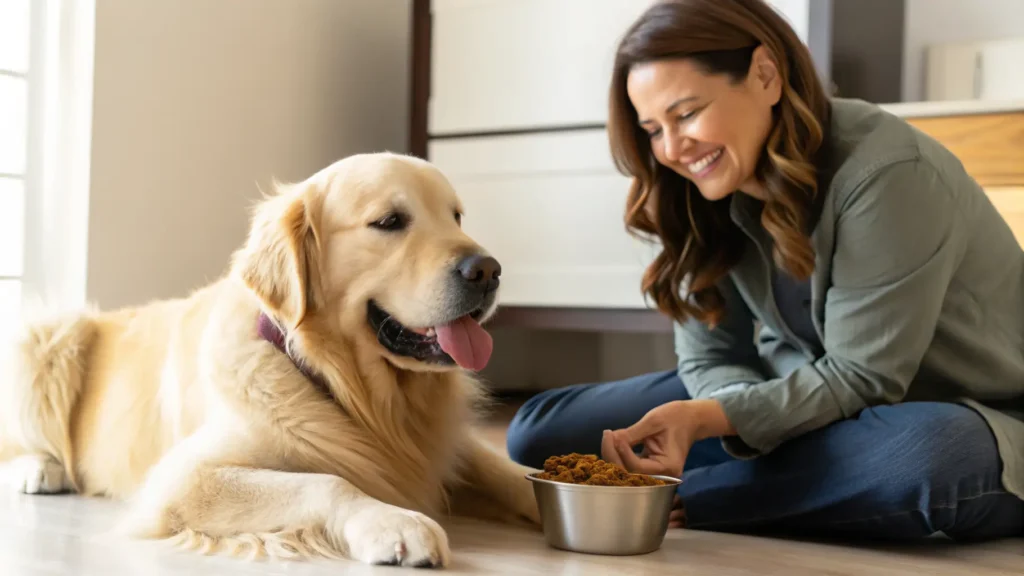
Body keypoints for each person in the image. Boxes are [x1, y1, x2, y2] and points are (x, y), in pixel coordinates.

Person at [505, 0, 1024, 541]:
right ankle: (794, 478)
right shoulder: (705, 186)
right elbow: (711, 355)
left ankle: (705, 492)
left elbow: (863, 379)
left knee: (922, 456)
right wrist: (720, 411)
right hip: (795, 394)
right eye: (653, 129)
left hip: (954, 415)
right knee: (542, 429)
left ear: (766, 75)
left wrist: (712, 421)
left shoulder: (888, 174)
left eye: (685, 114)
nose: (673, 149)